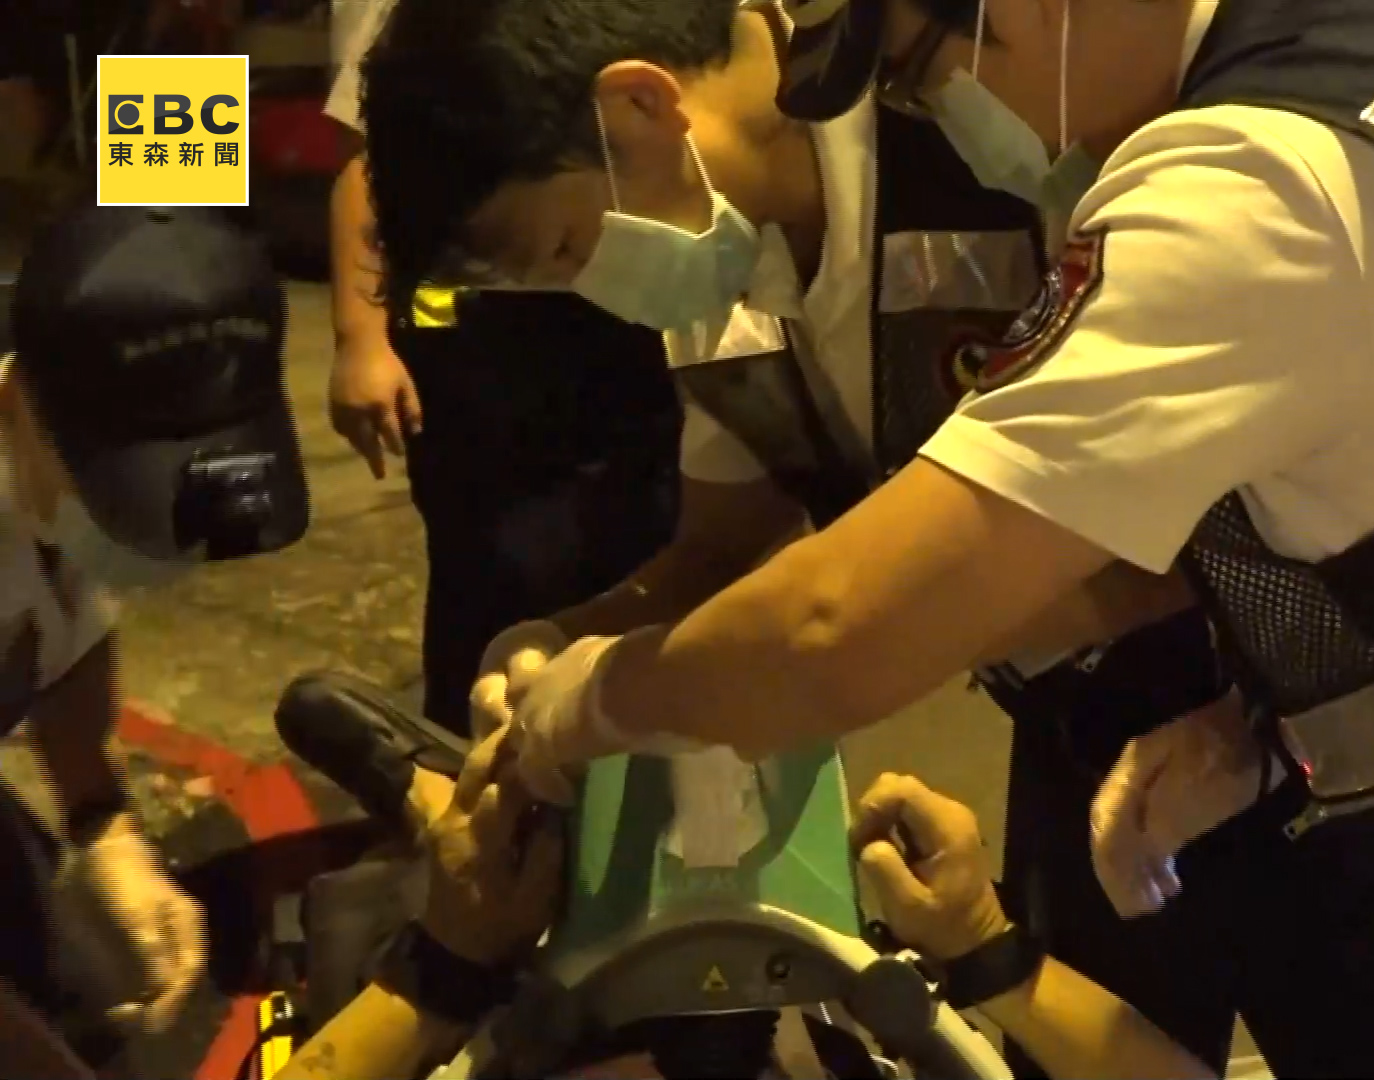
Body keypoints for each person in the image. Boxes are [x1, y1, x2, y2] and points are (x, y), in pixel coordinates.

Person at [477, 0, 1374, 1075]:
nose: (961, 116)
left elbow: (832, 630)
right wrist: (1257, 729)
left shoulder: (1242, 178)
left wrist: (575, 709)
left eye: (937, 61)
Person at [354, 0, 1249, 1071]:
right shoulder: (715, 272)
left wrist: (610, 697)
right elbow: (721, 550)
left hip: (1277, 676)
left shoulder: (990, 112)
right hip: (1080, 722)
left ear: (638, 106)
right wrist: (558, 643)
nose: (598, 291)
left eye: (570, 246)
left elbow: (853, 620)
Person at [268, 717, 1214, 1080]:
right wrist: (986, 949)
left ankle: (429, 791)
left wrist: (445, 969)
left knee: (427, 878)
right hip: (813, 1027)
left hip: (569, 1021)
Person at [324, 0, 684, 740]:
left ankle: (623, 758)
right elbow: (370, 167)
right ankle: (469, 762)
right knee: (493, 572)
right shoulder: (420, 27)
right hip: (482, 333)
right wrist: (361, 338)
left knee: (648, 549)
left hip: (626, 313)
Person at [0, 205, 310, 1058]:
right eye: (119, 495)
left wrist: (104, 823)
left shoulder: (45, 462)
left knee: (74, 990)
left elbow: (60, 635)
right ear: (14, 403)